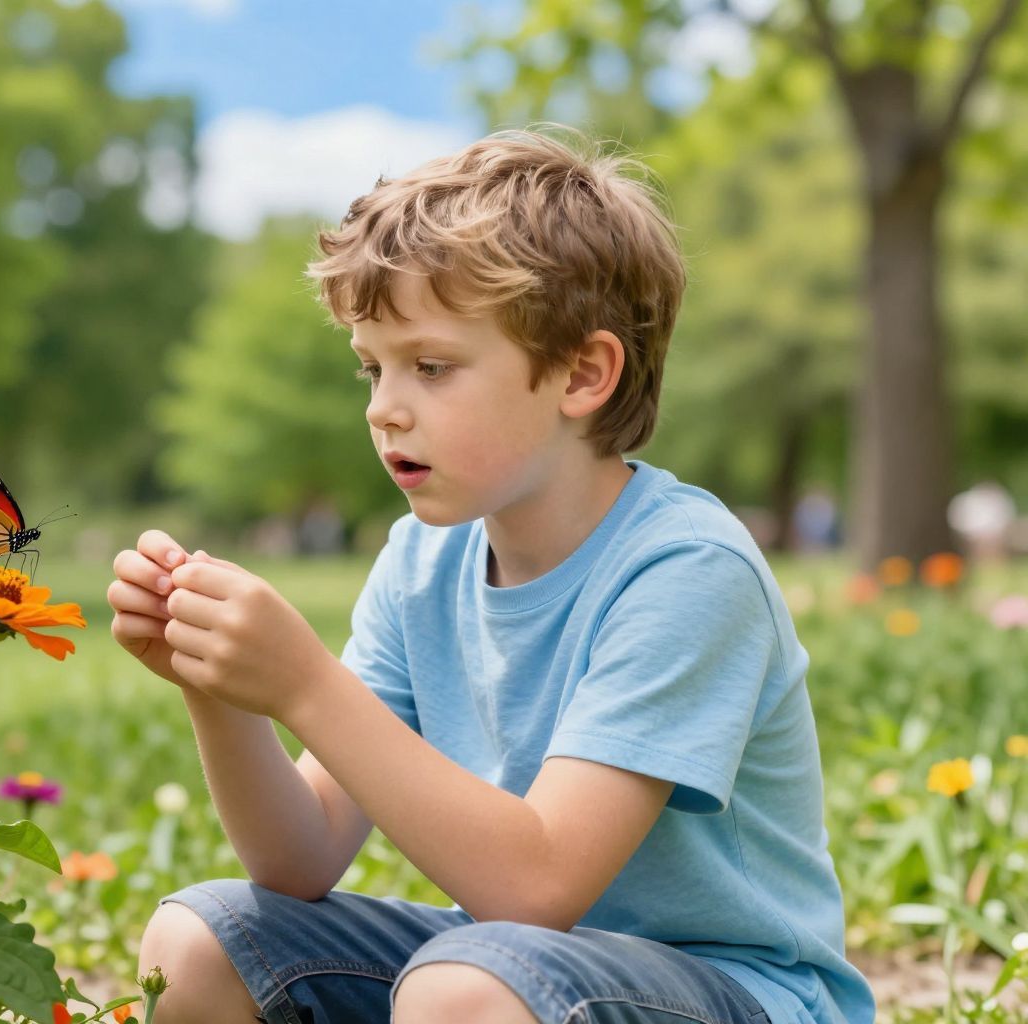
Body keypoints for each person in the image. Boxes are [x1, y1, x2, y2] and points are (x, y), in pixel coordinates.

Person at [107, 128, 874, 1024]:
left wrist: (307, 682)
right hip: (520, 971)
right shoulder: (421, 561)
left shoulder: (686, 569)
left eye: (431, 367)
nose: (384, 408)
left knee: (463, 989)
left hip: (740, 995)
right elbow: (301, 858)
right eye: (373, 366)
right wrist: (222, 685)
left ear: (582, 373)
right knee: (199, 944)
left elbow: (538, 884)